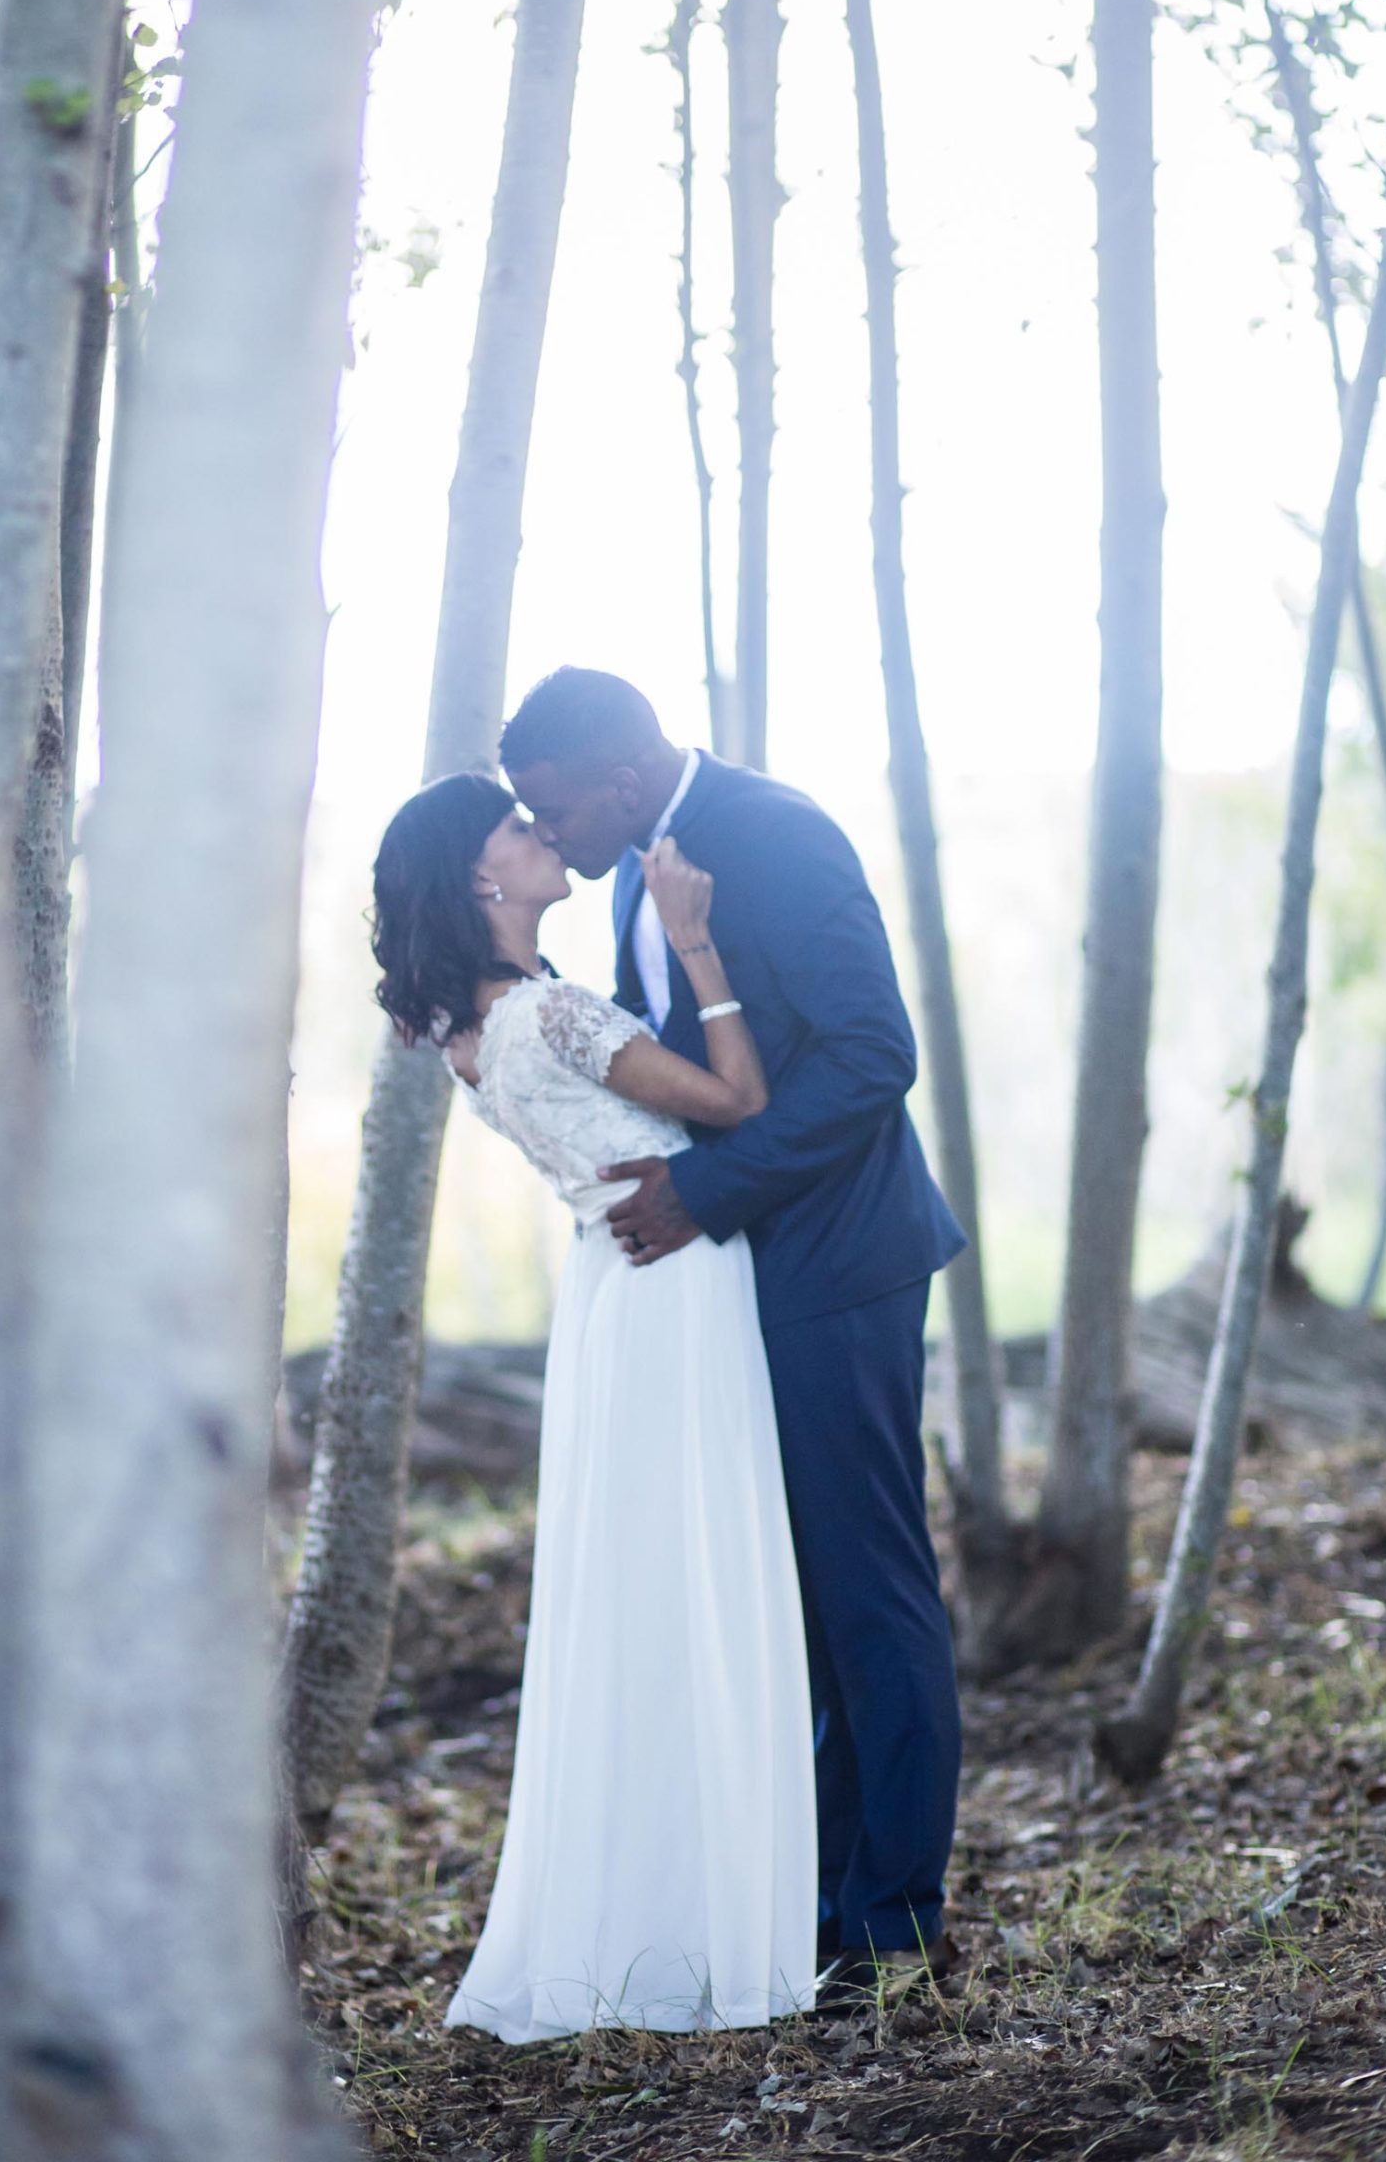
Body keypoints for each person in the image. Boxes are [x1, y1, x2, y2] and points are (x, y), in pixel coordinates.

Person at [499, 666, 965, 2001]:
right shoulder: (650, 868)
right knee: (799, 1605)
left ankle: (895, 1930)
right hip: (751, 1281)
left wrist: (704, 1194)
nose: (561, 846)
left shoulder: (774, 837)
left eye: (558, 809)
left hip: (841, 1265)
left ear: (626, 777)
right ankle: (815, 1903)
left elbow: (872, 1055)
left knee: (869, 1594)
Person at [369, 770, 820, 2043]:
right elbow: (737, 1103)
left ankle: (648, 1917)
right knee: (697, 1579)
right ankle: (707, 1923)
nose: (541, 830)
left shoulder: (467, 1034)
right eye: (518, 825)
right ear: (480, 875)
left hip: (616, 1295)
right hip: (674, 1284)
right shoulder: (551, 1012)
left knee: (643, 1595)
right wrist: (692, 940)